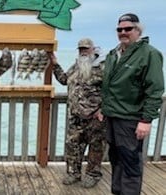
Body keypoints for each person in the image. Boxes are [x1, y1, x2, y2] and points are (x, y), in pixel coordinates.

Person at [101, 13, 164, 195]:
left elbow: (155, 90)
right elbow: (108, 86)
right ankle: (118, 191)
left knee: (130, 162)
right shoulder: (114, 54)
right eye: (119, 29)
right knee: (116, 157)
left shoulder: (150, 54)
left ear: (138, 30)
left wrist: (146, 120)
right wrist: (103, 108)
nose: (123, 32)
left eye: (128, 29)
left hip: (131, 119)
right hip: (112, 117)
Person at [52, 38, 106, 188]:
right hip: (75, 117)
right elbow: (64, 79)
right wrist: (55, 64)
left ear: (93, 49)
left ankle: (92, 175)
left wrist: (103, 110)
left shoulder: (103, 67)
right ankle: (73, 173)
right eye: (81, 49)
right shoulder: (77, 66)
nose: (83, 51)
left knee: (95, 147)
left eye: (86, 49)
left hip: (95, 117)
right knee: (73, 145)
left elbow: (112, 91)